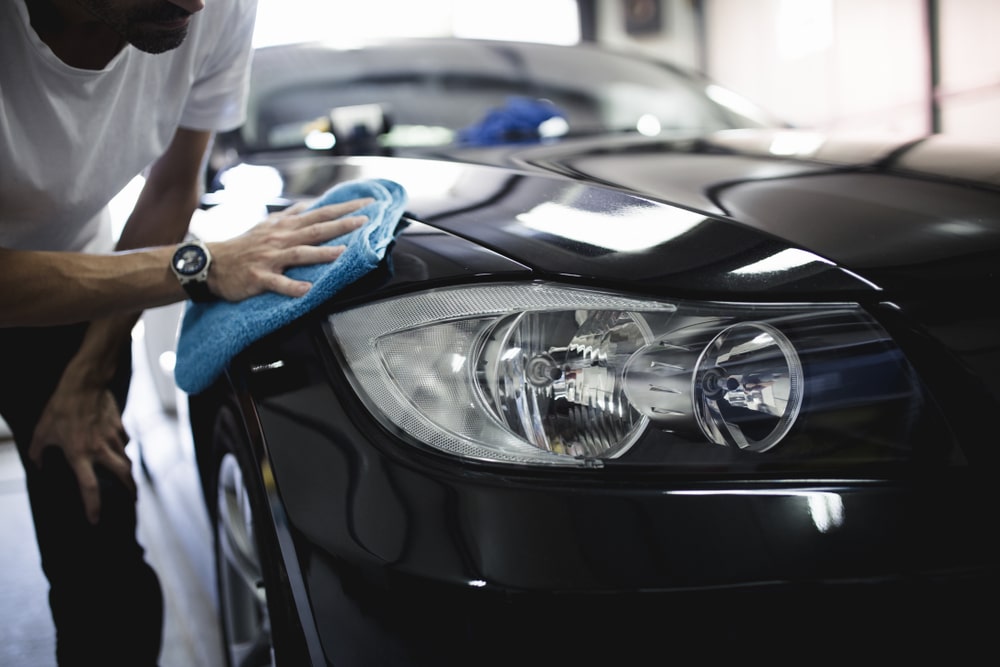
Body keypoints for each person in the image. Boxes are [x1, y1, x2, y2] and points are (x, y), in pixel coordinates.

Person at [0, 1, 372, 664]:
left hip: (74, 283)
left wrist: (88, 374)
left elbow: (175, 182)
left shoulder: (214, 8)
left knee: (103, 569)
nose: (195, 4)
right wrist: (194, 266)